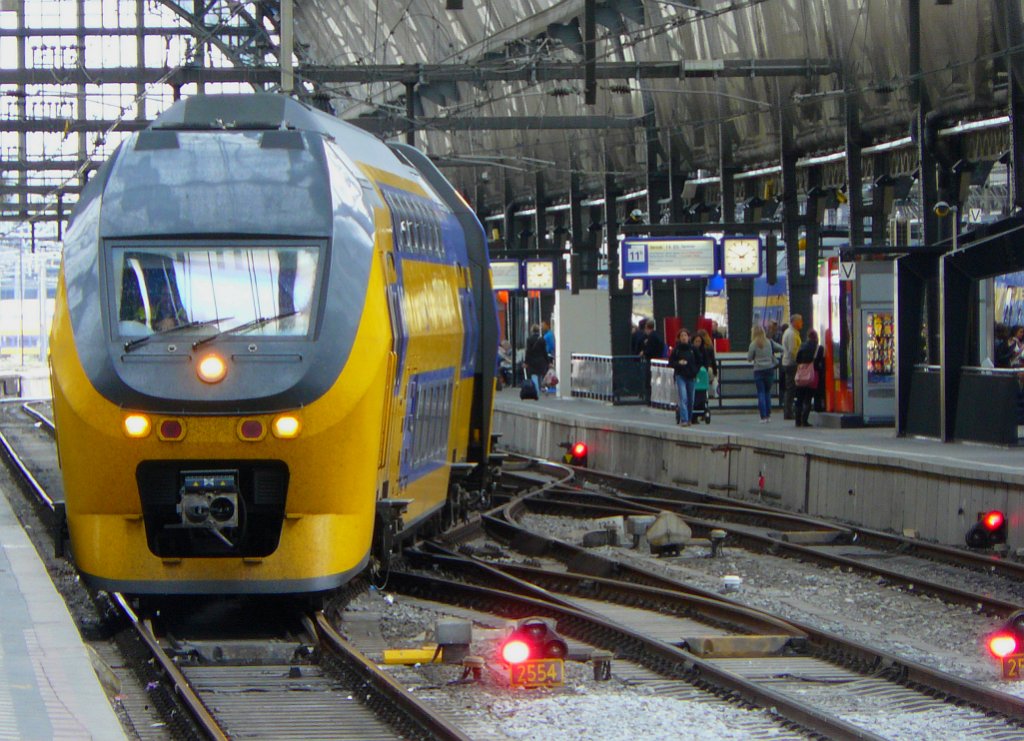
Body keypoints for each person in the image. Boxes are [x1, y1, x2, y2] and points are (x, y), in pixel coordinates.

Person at [747, 324, 782, 423]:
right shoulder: (769, 342)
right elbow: (781, 348)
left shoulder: (753, 344)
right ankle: (769, 415)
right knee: (767, 392)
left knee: (761, 393)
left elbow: (749, 358)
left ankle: (763, 416)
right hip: (769, 369)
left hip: (758, 370)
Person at [668, 328, 700, 426]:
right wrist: (678, 363)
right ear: (679, 338)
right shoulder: (676, 350)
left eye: (685, 335)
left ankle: (689, 418)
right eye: (682, 336)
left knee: (691, 399)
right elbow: (671, 363)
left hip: (691, 376)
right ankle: (684, 419)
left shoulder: (693, 349)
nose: (684, 337)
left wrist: (695, 371)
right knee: (683, 397)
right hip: (680, 375)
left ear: (689, 337)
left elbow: (699, 361)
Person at [793, 329, 819, 427]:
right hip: (812, 374)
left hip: (801, 373)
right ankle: (805, 420)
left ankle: (797, 420)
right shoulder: (817, 347)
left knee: (799, 399)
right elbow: (818, 360)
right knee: (808, 398)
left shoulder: (802, 346)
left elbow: (797, 359)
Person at [781, 313, 803, 420]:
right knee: (791, 389)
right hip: (791, 364)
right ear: (794, 322)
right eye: (799, 321)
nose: (801, 323)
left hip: (787, 363)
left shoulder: (789, 332)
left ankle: (788, 410)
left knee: (790, 388)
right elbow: (793, 351)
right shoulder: (792, 334)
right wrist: (798, 361)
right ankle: (788, 412)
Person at [524, 324, 548, 399]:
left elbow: (528, 352)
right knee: (540, 375)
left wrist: (526, 362)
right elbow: (545, 352)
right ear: (538, 330)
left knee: (534, 375)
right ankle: (541, 388)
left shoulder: (529, 339)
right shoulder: (542, 339)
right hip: (541, 360)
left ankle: (537, 391)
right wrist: (548, 361)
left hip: (532, 360)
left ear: (532, 331)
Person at [696, 328, 718, 397]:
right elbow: (713, 360)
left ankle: (705, 395)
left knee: (701, 382)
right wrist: (715, 372)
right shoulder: (710, 347)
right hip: (709, 369)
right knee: (714, 379)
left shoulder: (696, 347)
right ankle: (716, 393)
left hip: (698, 369)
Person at [811, 330, 826, 412]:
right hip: (816, 372)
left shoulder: (804, 346)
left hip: (806, 371)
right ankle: (820, 406)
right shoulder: (819, 348)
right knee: (819, 389)